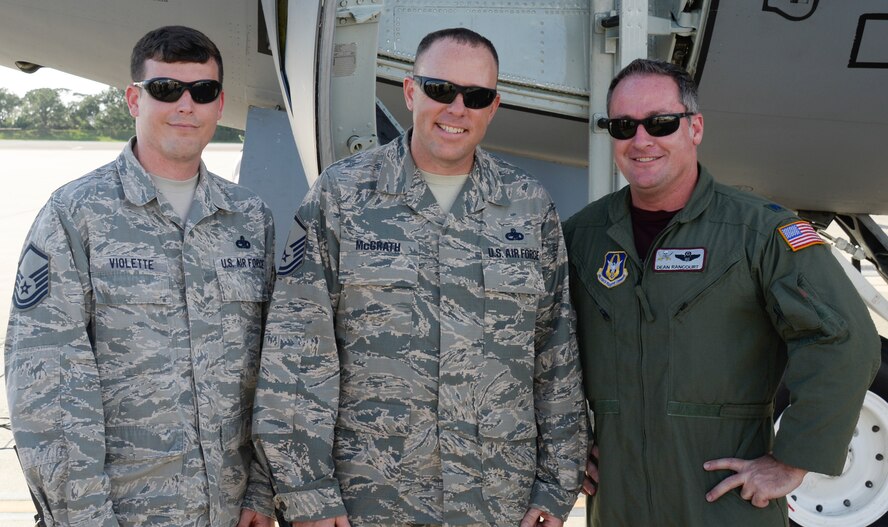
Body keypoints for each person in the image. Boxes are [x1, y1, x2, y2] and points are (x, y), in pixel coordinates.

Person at [253, 27, 586, 527]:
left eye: (475, 96)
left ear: (493, 107)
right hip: (371, 499)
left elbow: (556, 356)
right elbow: (298, 354)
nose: (457, 108)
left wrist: (557, 487)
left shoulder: (527, 206)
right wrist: (307, 494)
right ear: (411, 92)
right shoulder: (342, 197)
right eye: (439, 89)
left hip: (498, 500)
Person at [562, 58, 881, 527]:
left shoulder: (759, 232)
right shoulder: (582, 237)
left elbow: (844, 339)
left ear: (695, 128)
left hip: (723, 503)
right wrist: (565, 442)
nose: (641, 139)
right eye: (624, 125)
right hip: (619, 503)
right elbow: (539, 349)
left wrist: (792, 461)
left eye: (661, 123)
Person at [4, 25, 276, 527]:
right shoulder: (77, 214)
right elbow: (47, 385)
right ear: (134, 98)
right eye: (166, 89)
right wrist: (84, 517)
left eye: (203, 91)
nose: (185, 105)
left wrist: (260, 492)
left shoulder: (250, 218)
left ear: (220, 105)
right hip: (119, 514)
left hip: (229, 511)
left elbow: (273, 367)